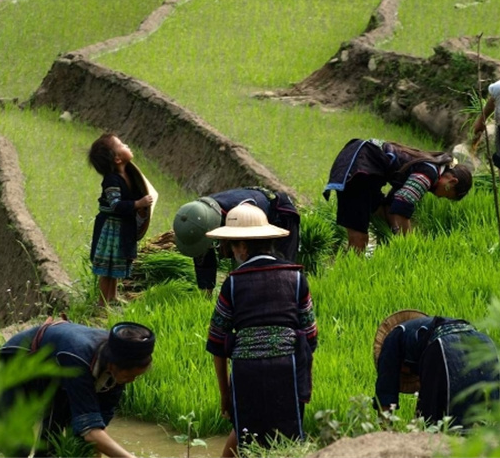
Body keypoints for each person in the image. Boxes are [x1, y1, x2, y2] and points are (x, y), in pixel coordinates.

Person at [205, 204, 318, 457]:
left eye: (233, 246)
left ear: (243, 246)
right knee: (287, 443)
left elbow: (217, 342)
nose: (233, 252)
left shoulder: (233, 284)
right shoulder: (297, 277)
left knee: (248, 439)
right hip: (288, 370)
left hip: (246, 373)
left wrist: (225, 394)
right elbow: (310, 336)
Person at [0, 319, 155, 458]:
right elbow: (90, 432)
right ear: (113, 365)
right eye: (130, 375)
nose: (132, 380)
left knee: (57, 439)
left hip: (54, 373)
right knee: (18, 444)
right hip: (17, 361)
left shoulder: (116, 368)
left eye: (136, 376)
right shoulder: (78, 357)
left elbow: (97, 424)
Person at [323, 138, 473, 253]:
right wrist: (409, 244)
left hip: (362, 164)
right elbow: (403, 202)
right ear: (452, 181)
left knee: (383, 216)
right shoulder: (429, 173)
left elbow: (392, 204)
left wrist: (396, 231)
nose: (440, 197)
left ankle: (379, 259)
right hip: (360, 170)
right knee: (360, 239)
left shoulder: (429, 166)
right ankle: (351, 279)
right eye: (447, 195)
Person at [374, 310, 500, 428]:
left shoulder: (391, 340)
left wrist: (385, 433)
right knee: (482, 415)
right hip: (484, 342)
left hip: (444, 345)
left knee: (433, 422)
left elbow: (385, 392)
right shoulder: (424, 332)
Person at [173, 187, 300, 293]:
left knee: (280, 270)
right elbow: (204, 254)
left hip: (279, 216)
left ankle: (282, 295)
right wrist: (206, 296)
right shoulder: (200, 216)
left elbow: (248, 251)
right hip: (245, 217)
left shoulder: (240, 212)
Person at [88, 134, 154, 306]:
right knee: (107, 269)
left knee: (116, 264)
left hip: (123, 227)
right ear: (117, 159)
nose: (127, 145)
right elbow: (116, 205)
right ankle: (102, 303)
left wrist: (140, 209)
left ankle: (113, 297)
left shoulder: (129, 176)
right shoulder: (111, 180)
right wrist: (138, 204)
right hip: (111, 228)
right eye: (122, 145)